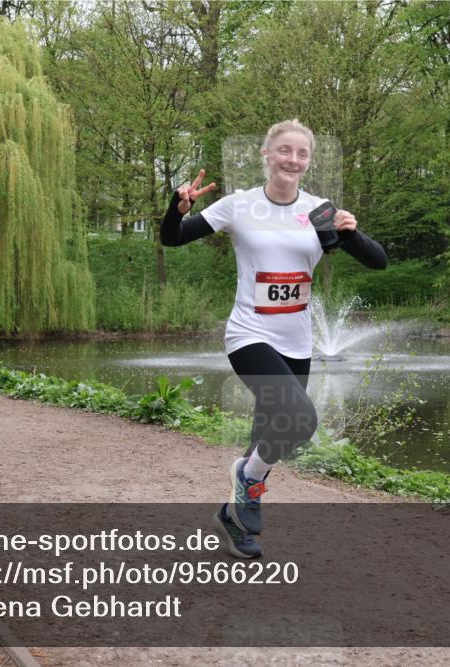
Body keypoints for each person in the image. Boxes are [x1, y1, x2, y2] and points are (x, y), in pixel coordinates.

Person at [160, 119, 387, 558]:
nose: (293, 160)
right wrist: (178, 208)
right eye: (285, 150)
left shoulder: (320, 211)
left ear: (309, 161)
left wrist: (351, 234)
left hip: (297, 343)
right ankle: (247, 478)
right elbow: (173, 238)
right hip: (250, 335)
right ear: (266, 154)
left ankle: (233, 518)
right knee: (301, 419)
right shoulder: (238, 205)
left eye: (302, 154)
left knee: (267, 436)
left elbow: (378, 261)